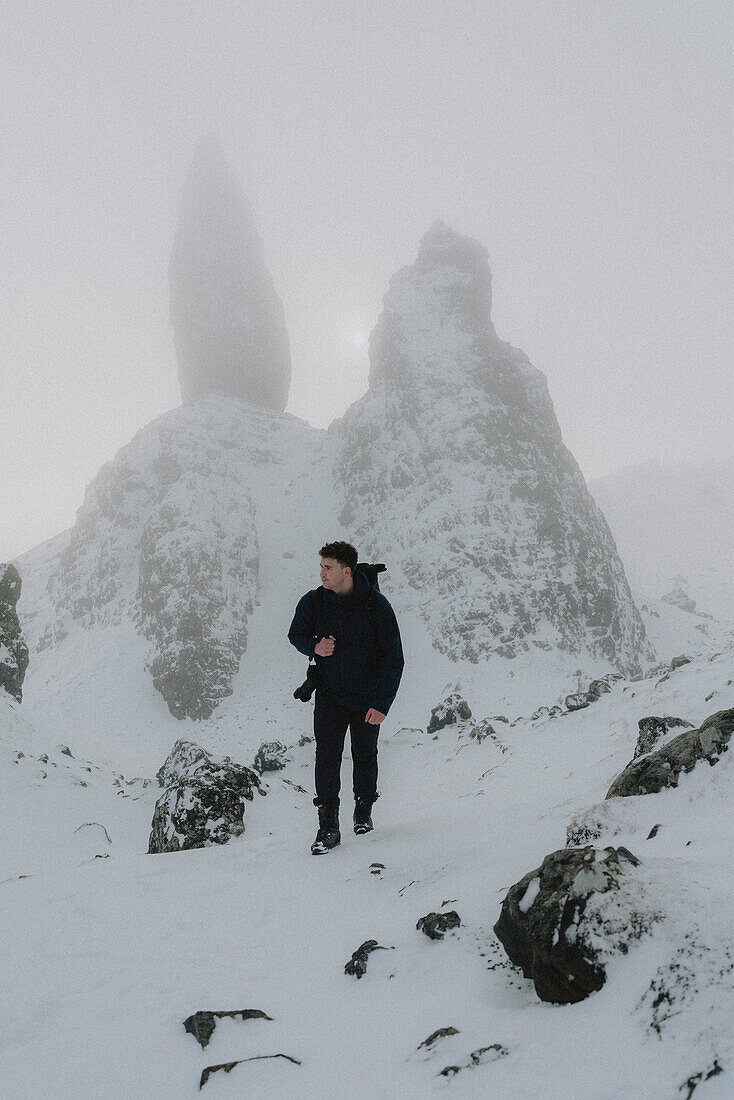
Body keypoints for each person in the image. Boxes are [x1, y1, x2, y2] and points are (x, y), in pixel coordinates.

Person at [288, 541, 404, 854]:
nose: (322, 573)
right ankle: (328, 827)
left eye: (328, 567)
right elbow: (295, 634)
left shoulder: (377, 606)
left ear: (347, 571)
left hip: (367, 697)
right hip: (329, 695)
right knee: (326, 757)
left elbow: (395, 659)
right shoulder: (313, 602)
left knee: (365, 754)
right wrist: (314, 646)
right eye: (321, 566)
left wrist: (382, 704)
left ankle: (363, 810)